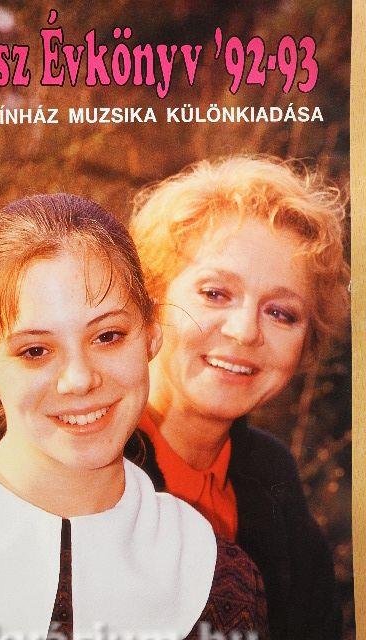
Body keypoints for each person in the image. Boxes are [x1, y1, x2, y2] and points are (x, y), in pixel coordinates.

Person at [0, 194, 268, 640]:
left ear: (151, 335)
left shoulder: (219, 578)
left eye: (108, 336)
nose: (80, 379)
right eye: (35, 350)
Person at [127, 157, 350, 640]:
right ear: (151, 298)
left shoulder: (274, 482)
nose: (245, 331)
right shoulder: (75, 467)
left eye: (281, 313)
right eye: (215, 293)